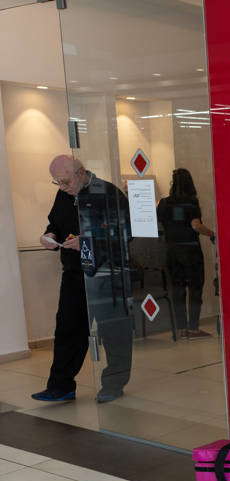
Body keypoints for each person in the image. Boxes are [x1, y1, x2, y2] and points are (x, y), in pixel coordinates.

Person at [33, 155, 133, 404]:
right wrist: (49, 235)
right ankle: (60, 386)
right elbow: (54, 223)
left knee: (114, 333)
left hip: (106, 273)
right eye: (57, 183)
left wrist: (87, 242)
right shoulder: (65, 194)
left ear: (80, 172)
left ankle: (113, 383)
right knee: (67, 328)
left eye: (65, 181)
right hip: (75, 273)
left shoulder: (108, 193)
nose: (63, 187)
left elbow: (125, 233)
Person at [156, 168, 215, 338]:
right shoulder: (191, 202)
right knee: (195, 289)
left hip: (171, 251)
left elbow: (159, 225)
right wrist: (212, 234)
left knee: (178, 290)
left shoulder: (164, 203)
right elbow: (196, 225)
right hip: (190, 251)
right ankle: (193, 328)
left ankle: (181, 328)